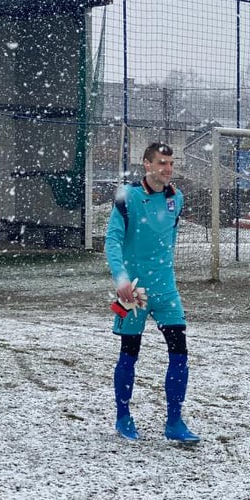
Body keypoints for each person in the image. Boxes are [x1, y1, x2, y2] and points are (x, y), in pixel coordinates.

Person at [104, 142, 200, 443]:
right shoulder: (128, 197)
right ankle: (123, 417)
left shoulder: (176, 198)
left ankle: (174, 422)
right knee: (129, 353)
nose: (168, 169)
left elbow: (169, 238)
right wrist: (122, 278)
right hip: (133, 292)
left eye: (171, 163)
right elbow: (112, 241)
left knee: (179, 352)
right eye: (162, 163)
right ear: (146, 165)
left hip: (166, 289)